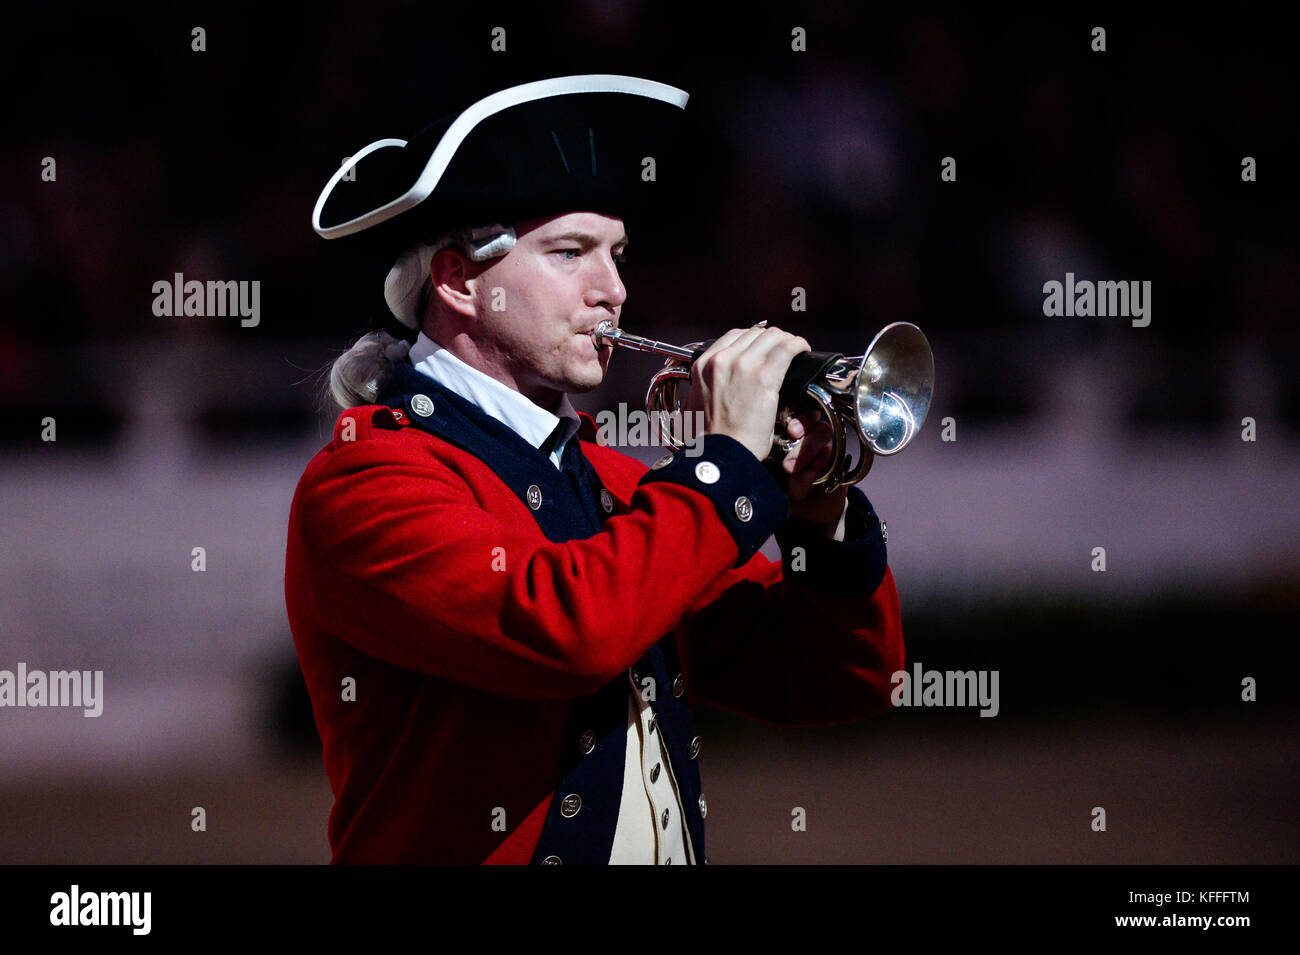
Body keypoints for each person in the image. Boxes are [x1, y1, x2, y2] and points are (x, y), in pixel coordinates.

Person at [285, 75, 904, 864]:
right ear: (458, 281)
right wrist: (725, 470)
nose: (613, 291)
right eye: (570, 253)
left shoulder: (615, 483)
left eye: (616, 255)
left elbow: (838, 677)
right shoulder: (368, 481)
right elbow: (570, 633)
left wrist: (819, 509)